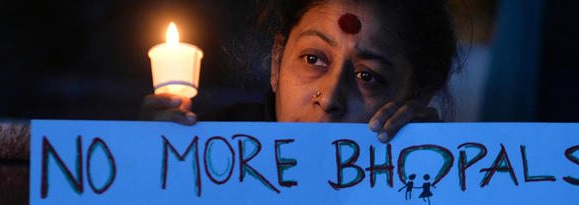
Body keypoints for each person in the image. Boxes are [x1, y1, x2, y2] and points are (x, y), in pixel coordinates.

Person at [140, 0, 458, 142]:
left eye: (367, 77)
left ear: (417, 97)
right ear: (277, 62)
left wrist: (439, 177)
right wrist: (142, 165)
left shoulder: (426, 189)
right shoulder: (207, 152)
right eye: (312, 60)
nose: (330, 97)